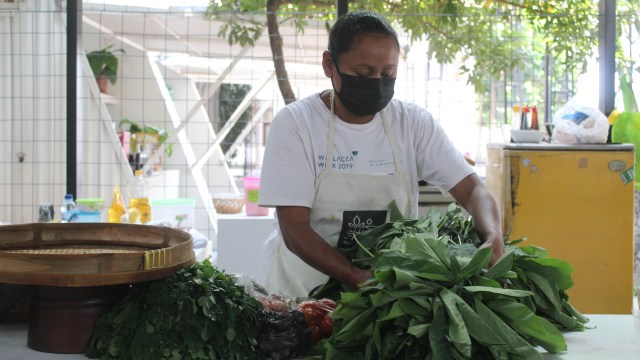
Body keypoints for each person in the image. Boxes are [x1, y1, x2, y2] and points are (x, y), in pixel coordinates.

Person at [257, 11, 504, 298]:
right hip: (302, 290)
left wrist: (493, 234)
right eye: (363, 73)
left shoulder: (412, 124)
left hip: (386, 293)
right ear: (329, 64)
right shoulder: (296, 124)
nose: (376, 82)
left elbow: (473, 189)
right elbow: (294, 227)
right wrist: (355, 276)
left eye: (388, 74)